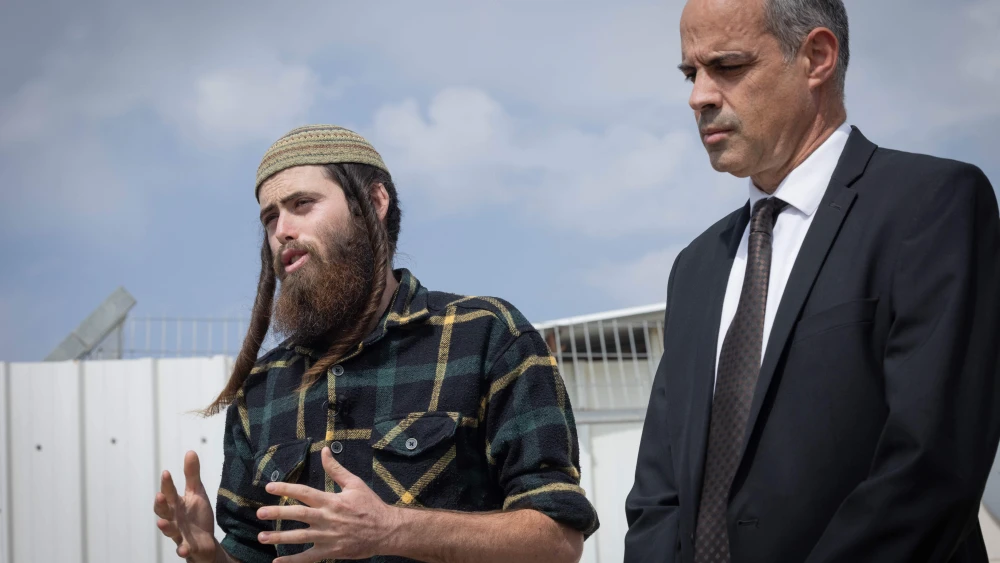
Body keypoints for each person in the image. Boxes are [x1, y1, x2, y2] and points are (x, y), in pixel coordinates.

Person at [625, 0, 1000, 561]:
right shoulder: (696, 267)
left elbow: (931, 463)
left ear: (817, 57)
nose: (698, 96)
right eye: (690, 72)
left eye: (727, 66)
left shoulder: (931, 205)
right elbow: (659, 494)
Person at [152, 124, 598, 563]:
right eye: (270, 217)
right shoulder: (262, 388)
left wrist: (392, 529)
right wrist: (212, 558)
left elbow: (557, 539)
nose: (281, 230)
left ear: (374, 202)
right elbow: (252, 550)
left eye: (301, 204)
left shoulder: (485, 334)